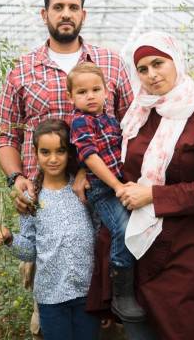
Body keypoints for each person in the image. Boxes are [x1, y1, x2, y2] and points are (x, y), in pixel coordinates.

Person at [0, 0, 134, 338]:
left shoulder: (111, 64)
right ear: (45, 14)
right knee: (51, 290)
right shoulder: (23, 70)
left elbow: (132, 127)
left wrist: (91, 171)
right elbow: (6, 135)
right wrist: (17, 179)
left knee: (103, 286)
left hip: (101, 193)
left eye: (73, 7)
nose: (66, 14)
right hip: (46, 199)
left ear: (83, 14)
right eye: (58, 7)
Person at [88, 31, 194, 340]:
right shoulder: (138, 115)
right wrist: (81, 173)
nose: (152, 75)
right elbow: (113, 157)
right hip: (139, 250)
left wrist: (153, 195)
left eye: (158, 63)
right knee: (140, 331)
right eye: (143, 69)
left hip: (184, 251)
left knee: (182, 329)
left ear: (176, 61)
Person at [0, 119, 100, 340]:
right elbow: (31, 250)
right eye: (45, 152)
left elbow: (99, 236)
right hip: (51, 298)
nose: (53, 159)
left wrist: (105, 293)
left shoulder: (82, 189)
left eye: (60, 151)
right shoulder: (31, 197)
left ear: (69, 153)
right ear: (35, 153)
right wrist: (10, 239)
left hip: (87, 294)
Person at [67, 61, 145, 323]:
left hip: (119, 184)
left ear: (106, 92)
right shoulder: (79, 121)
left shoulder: (111, 119)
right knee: (121, 230)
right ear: (71, 97)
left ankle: (130, 288)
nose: (90, 96)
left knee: (136, 226)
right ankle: (120, 293)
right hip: (103, 189)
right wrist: (117, 186)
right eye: (82, 92)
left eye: (95, 89)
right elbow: (90, 157)